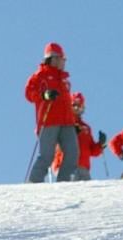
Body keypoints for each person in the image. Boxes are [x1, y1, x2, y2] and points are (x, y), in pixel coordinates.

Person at [24, 42, 79, 183]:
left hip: (67, 122)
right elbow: (29, 93)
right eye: (62, 58)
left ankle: (63, 182)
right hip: (49, 121)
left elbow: (67, 103)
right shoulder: (40, 76)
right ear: (53, 58)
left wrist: (74, 122)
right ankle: (33, 182)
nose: (64, 62)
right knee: (47, 156)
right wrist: (44, 95)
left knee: (73, 153)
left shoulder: (63, 79)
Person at [52, 92, 106, 181]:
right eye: (74, 105)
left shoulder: (86, 127)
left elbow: (93, 151)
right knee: (70, 192)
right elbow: (56, 143)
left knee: (88, 193)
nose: (77, 108)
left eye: (79, 105)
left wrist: (100, 144)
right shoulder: (62, 123)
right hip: (66, 166)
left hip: (83, 167)